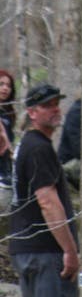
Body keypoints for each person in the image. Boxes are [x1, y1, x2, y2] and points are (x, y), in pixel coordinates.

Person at [9, 82, 79, 297]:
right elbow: (47, 202)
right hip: (45, 254)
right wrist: (69, 250)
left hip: (28, 251)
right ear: (31, 112)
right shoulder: (38, 148)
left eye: (57, 104)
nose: (55, 109)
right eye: (47, 105)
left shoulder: (27, 146)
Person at [0, 69, 17, 207]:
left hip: (5, 171)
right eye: (1, 84)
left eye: (8, 85)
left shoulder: (8, 114)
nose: (5, 88)